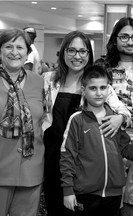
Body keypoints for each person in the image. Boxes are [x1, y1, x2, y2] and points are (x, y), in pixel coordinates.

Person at [42, 30, 131, 216]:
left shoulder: (94, 83)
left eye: (83, 52)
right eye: (72, 50)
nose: (77, 56)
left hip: (83, 162)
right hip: (52, 156)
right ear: (63, 52)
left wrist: (119, 118)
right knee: (54, 206)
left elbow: (124, 111)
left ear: (89, 55)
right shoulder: (49, 80)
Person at [60, 64, 133, 216]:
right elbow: (68, 156)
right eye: (93, 88)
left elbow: (125, 150)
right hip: (85, 193)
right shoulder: (77, 120)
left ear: (109, 89)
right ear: (83, 90)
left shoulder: (113, 119)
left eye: (103, 88)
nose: (98, 93)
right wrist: (67, 190)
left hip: (113, 193)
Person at [95, 17, 133, 216]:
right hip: (108, 138)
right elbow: (93, 98)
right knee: (107, 196)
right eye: (124, 36)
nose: (130, 41)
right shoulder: (102, 66)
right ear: (115, 39)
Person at [0, 28, 44, 216]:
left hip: (31, 167)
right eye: (8, 46)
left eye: (20, 47)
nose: (14, 52)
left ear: (28, 52)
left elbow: (45, 120)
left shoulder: (39, 82)